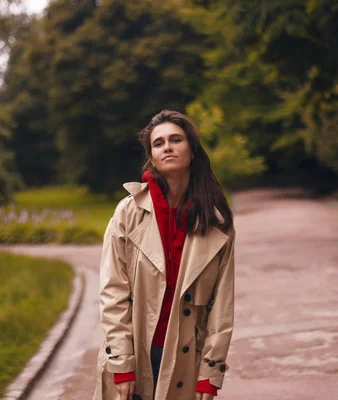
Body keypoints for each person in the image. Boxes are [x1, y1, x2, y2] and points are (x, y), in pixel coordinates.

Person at [92, 110, 236, 400]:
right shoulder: (128, 213)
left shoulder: (216, 222)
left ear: (192, 151)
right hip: (134, 353)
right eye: (159, 143)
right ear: (152, 157)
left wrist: (211, 373)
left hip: (185, 360)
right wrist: (121, 363)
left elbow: (222, 306)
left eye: (176, 139)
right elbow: (112, 292)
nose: (167, 147)